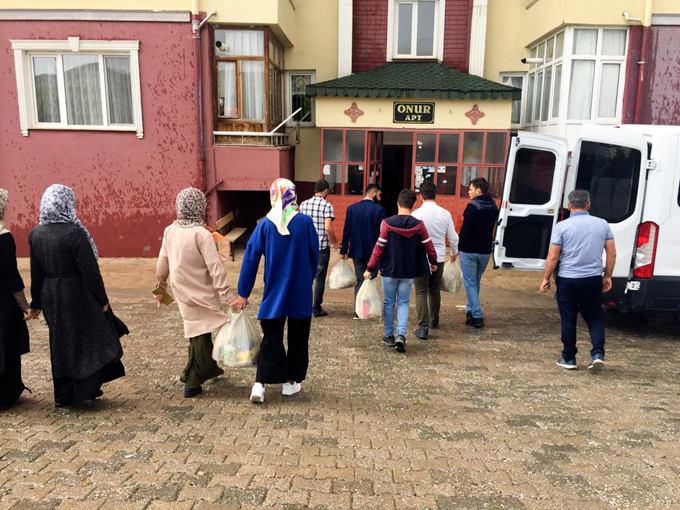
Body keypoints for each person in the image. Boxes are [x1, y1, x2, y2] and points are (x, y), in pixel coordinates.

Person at [28, 184, 127, 407]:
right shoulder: (74, 233)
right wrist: (102, 300)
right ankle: (85, 388)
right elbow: (90, 271)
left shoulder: (36, 233)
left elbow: (36, 272)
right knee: (87, 338)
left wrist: (37, 302)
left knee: (60, 341)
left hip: (51, 294)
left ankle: (63, 394)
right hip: (77, 293)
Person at [231, 179, 318, 403]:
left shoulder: (265, 225)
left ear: (273, 195)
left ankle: (260, 384)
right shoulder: (305, 223)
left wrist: (243, 293)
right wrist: (307, 279)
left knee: (271, 339)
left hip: (274, 294)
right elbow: (314, 256)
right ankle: (291, 382)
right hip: (300, 292)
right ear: (292, 195)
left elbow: (250, 259)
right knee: (298, 339)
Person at [156, 187, 233, 398]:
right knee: (198, 333)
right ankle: (192, 380)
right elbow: (215, 267)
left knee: (198, 330)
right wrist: (227, 295)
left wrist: (160, 286)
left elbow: (163, 261)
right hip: (202, 291)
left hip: (181, 290)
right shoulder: (202, 234)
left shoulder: (170, 230)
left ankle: (211, 368)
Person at [540, 189, 616, 371]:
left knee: (568, 318)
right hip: (592, 278)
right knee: (594, 316)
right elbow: (611, 253)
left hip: (567, 279)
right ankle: (597, 354)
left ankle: (569, 358)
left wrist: (546, 277)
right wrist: (607, 275)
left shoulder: (562, 227)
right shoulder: (602, 224)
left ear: (569, 206)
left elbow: (553, 255)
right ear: (588, 205)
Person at [364, 189, 438, 353]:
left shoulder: (387, 223)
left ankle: (389, 335)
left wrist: (370, 268)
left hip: (389, 270)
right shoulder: (419, 225)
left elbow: (379, 248)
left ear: (398, 204)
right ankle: (401, 335)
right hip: (408, 271)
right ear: (413, 205)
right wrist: (433, 262)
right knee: (404, 302)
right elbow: (429, 246)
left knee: (389, 303)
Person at [411, 181, 459, 339]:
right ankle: (434, 320)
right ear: (435, 195)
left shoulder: (416, 214)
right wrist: (454, 252)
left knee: (420, 291)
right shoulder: (445, 214)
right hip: (438, 257)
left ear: (420, 196)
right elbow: (453, 237)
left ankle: (423, 327)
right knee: (434, 289)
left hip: (420, 258)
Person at [0, 189, 31, 410]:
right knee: (6, 343)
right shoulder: (3, 238)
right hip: (3, 303)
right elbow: (11, 275)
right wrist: (24, 305)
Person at [458, 177, 499, 328]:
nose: (468, 192)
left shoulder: (472, 207)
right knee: (475, 281)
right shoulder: (493, 207)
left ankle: (477, 315)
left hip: (470, 250)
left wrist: (459, 246)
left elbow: (466, 229)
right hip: (485, 251)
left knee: (470, 282)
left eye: (470, 189)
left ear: (478, 190)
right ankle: (470, 312)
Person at [340, 184, 385, 317]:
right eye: (379, 195)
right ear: (373, 193)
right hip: (373, 252)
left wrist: (343, 249)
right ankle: (369, 309)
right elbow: (382, 233)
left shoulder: (352, 209)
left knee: (360, 278)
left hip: (357, 250)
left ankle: (358, 311)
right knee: (371, 278)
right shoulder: (379, 210)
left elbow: (346, 230)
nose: (380, 198)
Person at [299, 180, 338, 318]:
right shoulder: (327, 205)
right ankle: (316, 308)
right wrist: (335, 242)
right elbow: (328, 227)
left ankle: (303, 305)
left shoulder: (303, 204)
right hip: (321, 247)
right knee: (320, 279)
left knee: (306, 277)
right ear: (326, 190)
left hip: (305, 247)